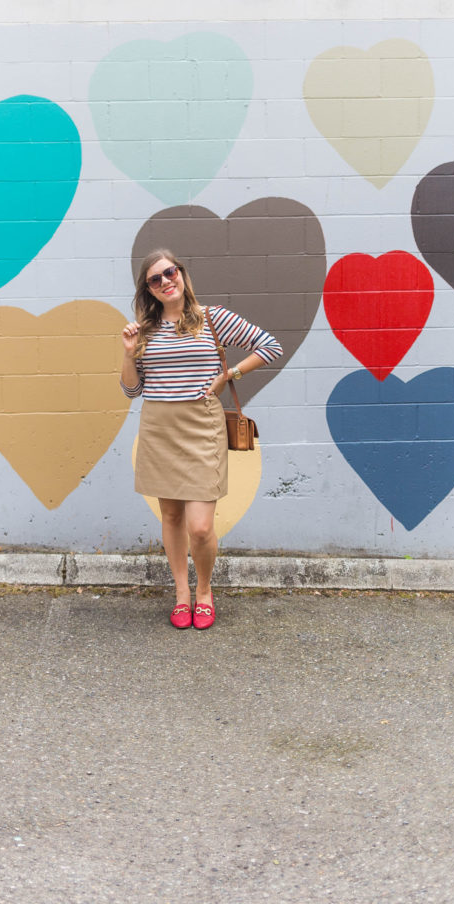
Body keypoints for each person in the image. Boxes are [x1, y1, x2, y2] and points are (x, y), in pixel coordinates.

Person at [120, 249, 283, 630]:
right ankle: (181, 594)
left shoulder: (212, 318)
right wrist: (128, 355)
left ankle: (205, 590)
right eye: (155, 280)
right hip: (159, 427)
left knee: (200, 527)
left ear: (182, 274)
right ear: (149, 290)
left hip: (201, 427)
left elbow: (269, 346)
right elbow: (132, 391)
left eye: (169, 272)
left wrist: (228, 377)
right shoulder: (144, 330)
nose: (165, 282)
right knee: (171, 515)